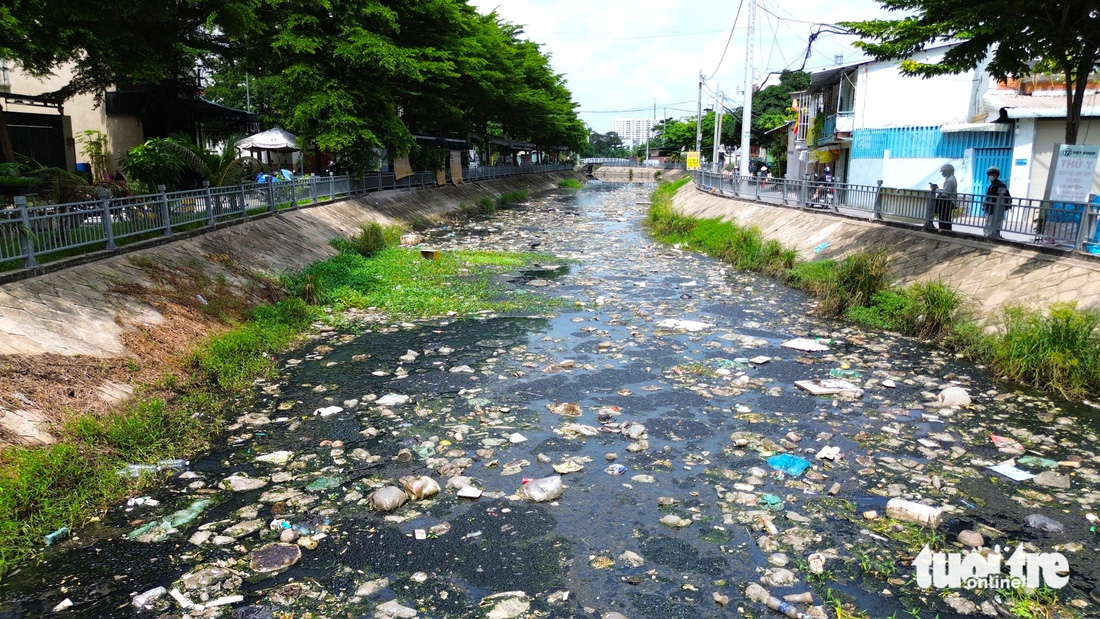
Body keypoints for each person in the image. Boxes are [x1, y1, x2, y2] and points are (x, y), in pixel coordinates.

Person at [983, 166, 1011, 237]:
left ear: (997, 175)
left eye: (993, 174)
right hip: (990, 208)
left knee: (995, 223)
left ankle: (993, 236)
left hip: (996, 208)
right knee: (988, 222)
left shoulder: (1000, 185)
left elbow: (1003, 196)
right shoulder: (992, 185)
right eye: (989, 174)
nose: (991, 176)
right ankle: (988, 235)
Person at [934, 164, 957, 230]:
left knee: (944, 218)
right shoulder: (951, 178)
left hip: (948, 202)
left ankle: (944, 231)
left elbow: (945, 194)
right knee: (945, 218)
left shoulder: (950, 180)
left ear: (948, 171)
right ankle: (945, 230)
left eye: (943, 171)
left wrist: (936, 190)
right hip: (948, 202)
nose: (942, 173)